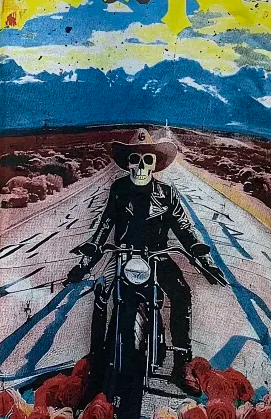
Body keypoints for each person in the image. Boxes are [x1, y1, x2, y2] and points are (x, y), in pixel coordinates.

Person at [66, 128, 227, 390]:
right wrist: (88, 258)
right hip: (123, 255)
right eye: (135, 159)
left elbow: (184, 227)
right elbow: (105, 223)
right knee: (101, 293)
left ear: (154, 164)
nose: (140, 166)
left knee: (182, 293)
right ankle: (96, 360)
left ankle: (181, 362)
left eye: (147, 160)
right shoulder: (119, 189)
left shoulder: (167, 193)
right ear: (128, 163)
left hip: (157, 256)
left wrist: (201, 256)